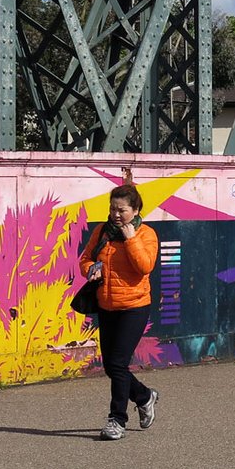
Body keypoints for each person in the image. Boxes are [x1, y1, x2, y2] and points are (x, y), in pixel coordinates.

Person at [79, 183, 160, 440]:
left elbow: (145, 266)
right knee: (112, 367)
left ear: (135, 210)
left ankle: (117, 420)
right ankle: (145, 396)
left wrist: (130, 239)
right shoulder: (102, 231)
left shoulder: (146, 234)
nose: (116, 214)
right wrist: (92, 269)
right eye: (113, 209)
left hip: (134, 306)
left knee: (117, 363)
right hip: (107, 305)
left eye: (122, 210)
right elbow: (85, 259)